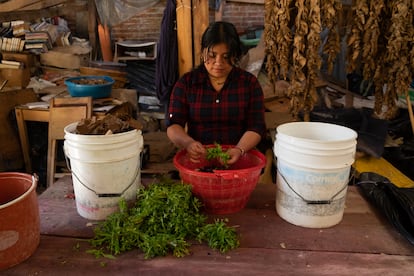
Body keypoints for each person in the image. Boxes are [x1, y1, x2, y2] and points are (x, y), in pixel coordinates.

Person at [166, 21, 266, 165]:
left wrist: (239, 149)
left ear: (236, 55)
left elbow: (256, 127)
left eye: (226, 57)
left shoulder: (249, 84)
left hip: (238, 159)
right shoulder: (187, 83)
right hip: (199, 159)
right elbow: (174, 125)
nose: (218, 62)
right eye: (212, 55)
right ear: (203, 53)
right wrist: (188, 143)